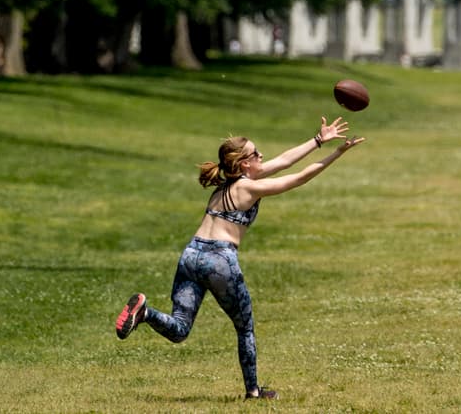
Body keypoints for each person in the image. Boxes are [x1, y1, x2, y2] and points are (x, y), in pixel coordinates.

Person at [114, 117, 365, 400]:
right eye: (256, 154)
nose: (262, 156)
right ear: (245, 163)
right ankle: (253, 392)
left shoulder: (227, 186)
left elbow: (283, 160)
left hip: (191, 254)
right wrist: (337, 153)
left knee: (180, 329)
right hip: (219, 260)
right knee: (244, 327)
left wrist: (318, 140)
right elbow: (299, 177)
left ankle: (145, 313)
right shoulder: (248, 188)